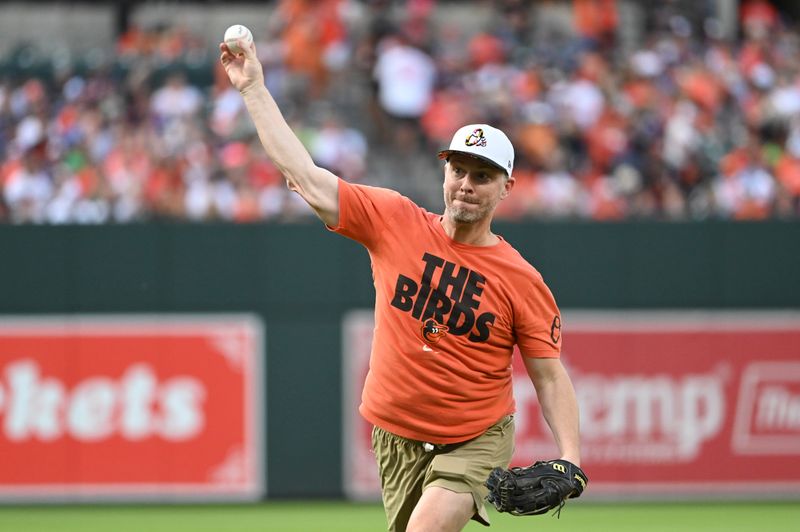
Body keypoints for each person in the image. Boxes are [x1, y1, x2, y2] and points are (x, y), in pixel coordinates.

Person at [220, 37, 582, 532]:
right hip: (395, 438)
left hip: (475, 437)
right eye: (458, 169)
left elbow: (549, 374)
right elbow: (305, 176)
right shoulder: (395, 220)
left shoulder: (521, 278)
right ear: (444, 170)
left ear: (507, 188)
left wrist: (571, 458)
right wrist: (254, 89)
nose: (466, 185)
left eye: (483, 175)